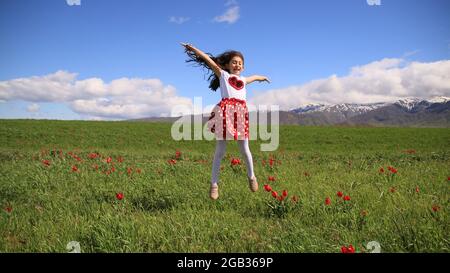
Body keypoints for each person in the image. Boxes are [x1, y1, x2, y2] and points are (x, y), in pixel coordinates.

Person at [181, 43, 270, 200]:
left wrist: (262, 78)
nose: (237, 65)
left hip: (241, 114)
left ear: (243, 67)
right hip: (225, 114)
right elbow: (207, 59)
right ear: (228, 65)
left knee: (245, 149)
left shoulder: (243, 79)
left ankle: (252, 177)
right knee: (220, 152)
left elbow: (254, 77)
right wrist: (193, 49)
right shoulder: (223, 75)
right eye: (234, 62)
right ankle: (214, 185)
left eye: (240, 63)